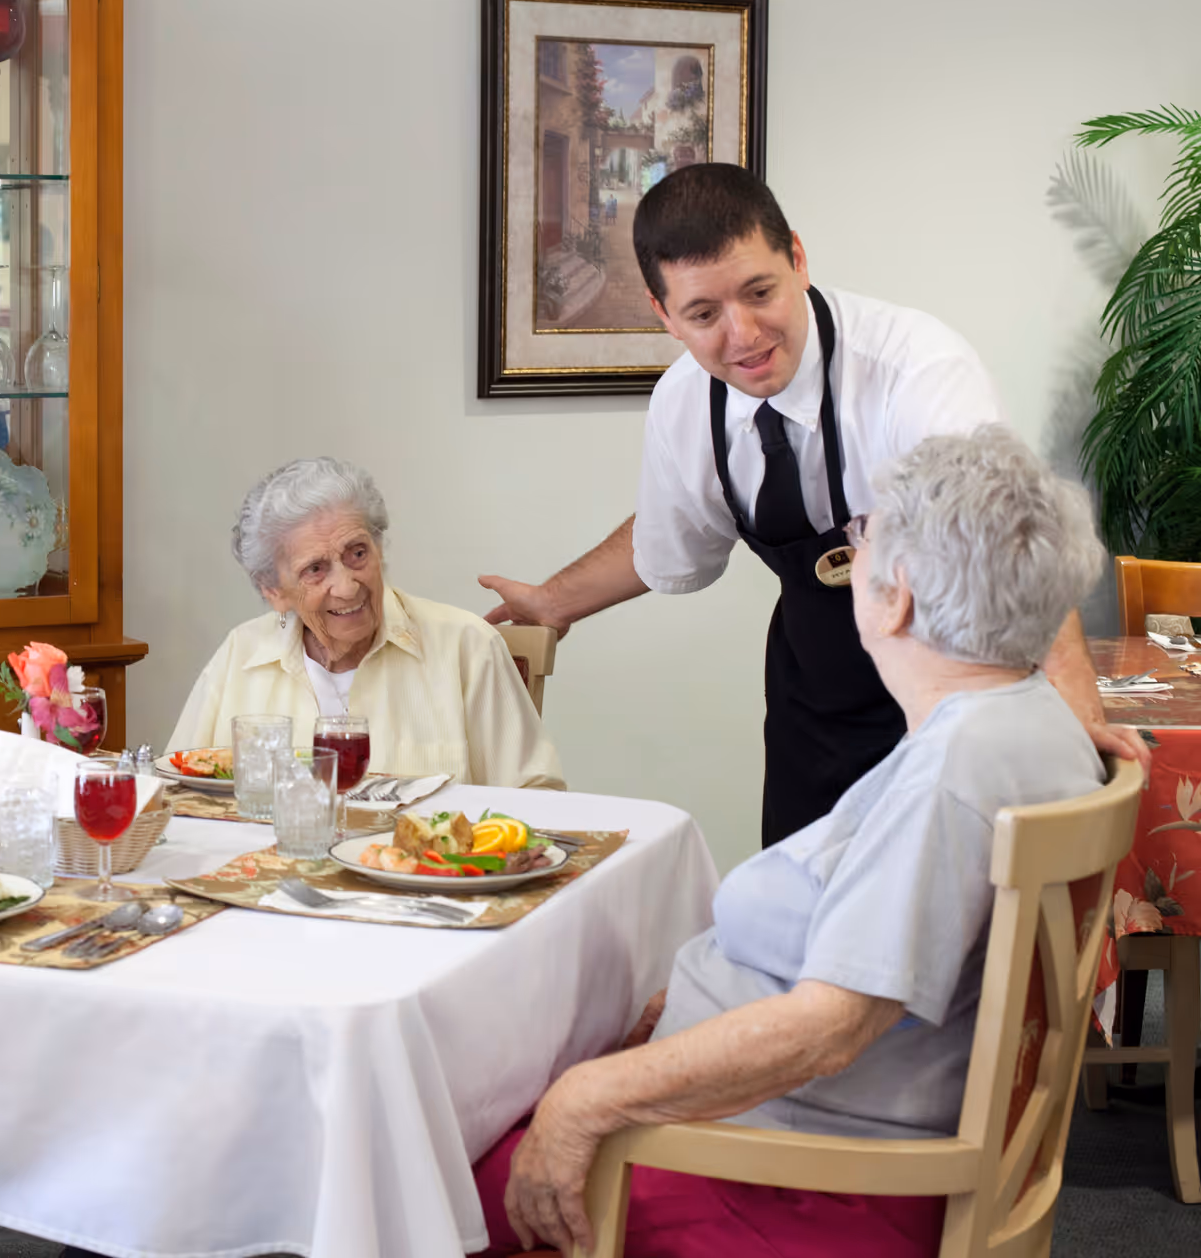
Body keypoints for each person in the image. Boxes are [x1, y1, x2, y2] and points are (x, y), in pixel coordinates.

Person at [475, 426, 1107, 1257]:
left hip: (819, 1180)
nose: (852, 557)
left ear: (898, 595)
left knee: (433, 1177)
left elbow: (830, 1026)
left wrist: (588, 1098)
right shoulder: (1029, 720)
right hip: (840, 1136)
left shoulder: (954, 772)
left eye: (862, 538)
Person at [480, 163, 1145, 848]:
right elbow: (668, 540)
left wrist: (1074, 706)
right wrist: (554, 601)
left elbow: (1009, 532)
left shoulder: (915, 365)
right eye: (704, 314)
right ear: (664, 315)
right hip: (814, 706)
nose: (742, 335)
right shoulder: (684, 405)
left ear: (797, 257)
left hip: (955, 695)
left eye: (759, 292)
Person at [169, 457, 564, 788]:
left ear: (378, 546)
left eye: (357, 553)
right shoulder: (241, 652)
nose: (345, 586)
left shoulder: (465, 645)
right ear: (274, 591)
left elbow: (539, 800)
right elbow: (174, 788)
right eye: (315, 570)